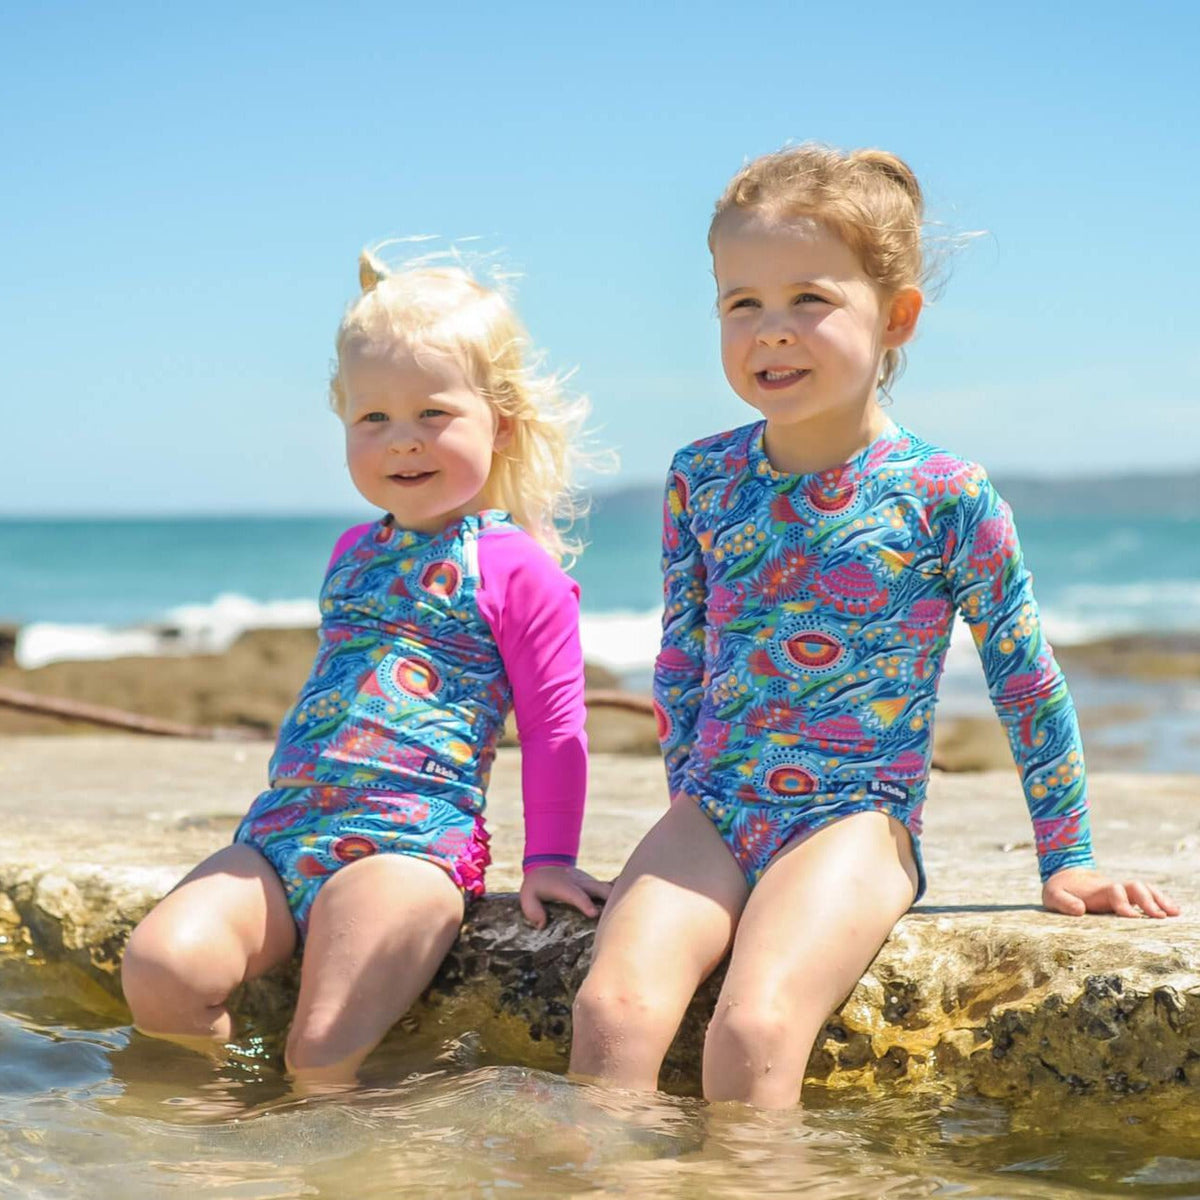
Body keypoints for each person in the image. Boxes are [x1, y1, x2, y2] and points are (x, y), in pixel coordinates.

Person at [569, 143, 1180, 1109]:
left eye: (809, 299)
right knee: (612, 1011)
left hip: (853, 820)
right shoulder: (702, 477)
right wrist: (687, 801)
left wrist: (1069, 861)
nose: (772, 332)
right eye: (742, 304)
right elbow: (682, 656)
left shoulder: (945, 495)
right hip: (716, 809)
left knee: (756, 1028)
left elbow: (1025, 678)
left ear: (895, 317)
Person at [123, 252, 610, 1086]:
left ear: (499, 425)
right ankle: (202, 1150)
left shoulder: (516, 568)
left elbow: (556, 725)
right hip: (281, 837)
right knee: (162, 969)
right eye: (373, 417)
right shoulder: (352, 553)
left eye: (432, 411)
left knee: (320, 1053)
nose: (403, 438)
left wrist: (549, 860)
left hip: (406, 848)